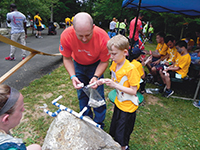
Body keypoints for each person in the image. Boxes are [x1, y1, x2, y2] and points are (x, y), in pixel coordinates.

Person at [59, 12, 110, 128]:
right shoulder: (66, 35)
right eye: (80, 35)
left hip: (96, 64)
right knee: (82, 93)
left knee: (97, 94)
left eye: (87, 34)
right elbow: (66, 58)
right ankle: (86, 119)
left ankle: (98, 123)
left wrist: (96, 76)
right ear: (73, 28)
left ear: (93, 27)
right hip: (78, 63)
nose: (84, 39)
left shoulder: (103, 38)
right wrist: (73, 76)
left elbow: (104, 61)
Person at [97, 34, 140, 150]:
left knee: (122, 135)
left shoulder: (131, 69)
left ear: (125, 52)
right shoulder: (114, 64)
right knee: (114, 131)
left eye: (114, 54)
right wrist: (102, 81)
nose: (111, 57)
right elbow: (114, 80)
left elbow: (133, 90)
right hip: (119, 104)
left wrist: (116, 85)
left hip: (128, 108)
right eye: (110, 53)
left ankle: (123, 147)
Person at [0, 84, 42, 150]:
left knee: (36, 147)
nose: (23, 110)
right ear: (6, 119)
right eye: (20, 109)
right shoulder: (9, 147)